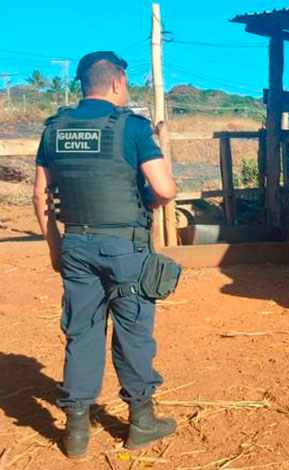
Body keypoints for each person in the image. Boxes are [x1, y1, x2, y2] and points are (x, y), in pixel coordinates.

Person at [32, 51, 177, 458]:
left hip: (75, 243)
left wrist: (55, 246)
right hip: (125, 248)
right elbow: (164, 189)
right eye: (126, 83)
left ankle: (76, 433)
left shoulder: (54, 129)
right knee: (132, 332)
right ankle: (141, 422)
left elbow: (40, 195)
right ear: (115, 83)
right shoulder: (131, 128)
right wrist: (147, 205)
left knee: (82, 331)